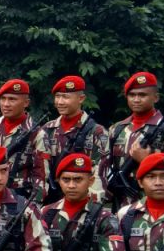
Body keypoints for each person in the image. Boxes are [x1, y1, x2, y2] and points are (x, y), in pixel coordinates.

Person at [106, 71, 164, 211]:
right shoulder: (116, 129)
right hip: (121, 201)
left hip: (155, 202)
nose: (136, 99)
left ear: (155, 97)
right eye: (132, 95)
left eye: (142, 95)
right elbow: (106, 166)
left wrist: (146, 160)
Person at [33, 75, 110, 204]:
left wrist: (91, 205)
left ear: (81, 99)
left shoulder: (97, 132)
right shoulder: (47, 129)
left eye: (65, 97)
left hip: (83, 202)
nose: (60, 102)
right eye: (57, 96)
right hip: (51, 201)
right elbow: (41, 170)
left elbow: (99, 173)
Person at [0, 79, 41, 203]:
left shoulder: (36, 132)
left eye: (12, 99)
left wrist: (34, 204)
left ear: (26, 102)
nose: (6, 104)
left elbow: (41, 173)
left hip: (21, 197)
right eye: (3, 99)